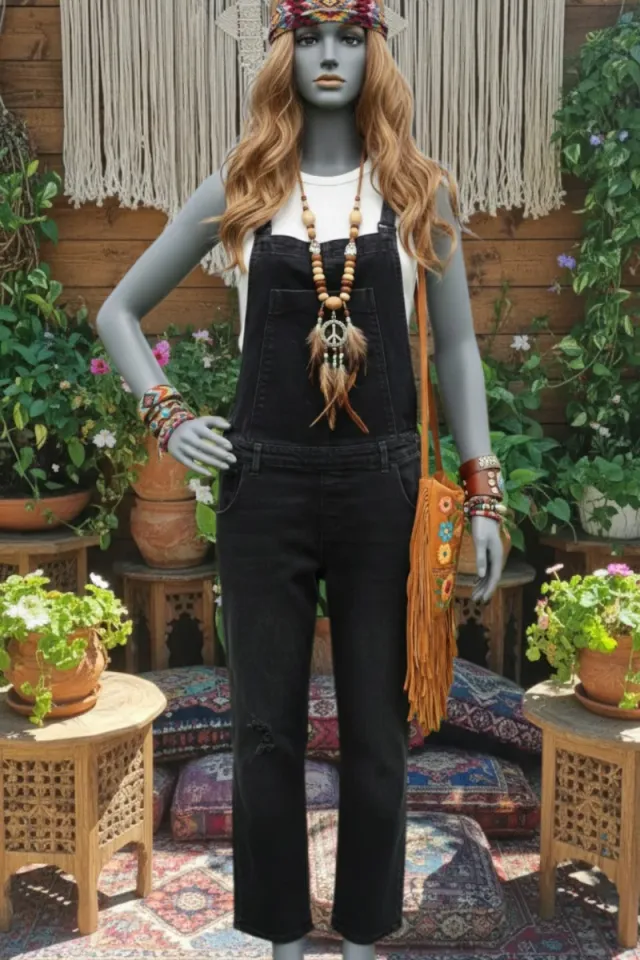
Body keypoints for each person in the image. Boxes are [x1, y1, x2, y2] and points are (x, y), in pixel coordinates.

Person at [96, 3, 504, 958]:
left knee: (378, 732)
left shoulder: (420, 191)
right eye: (311, 38)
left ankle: (362, 936)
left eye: (349, 39)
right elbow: (118, 311)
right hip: (263, 489)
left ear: (376, 54)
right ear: (285, 52)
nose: (329, 56)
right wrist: (169, 417)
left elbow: (456, 349)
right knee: (264, 731)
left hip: (382, 490)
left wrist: (483, 493)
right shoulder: (242, 186)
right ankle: (281, 937)